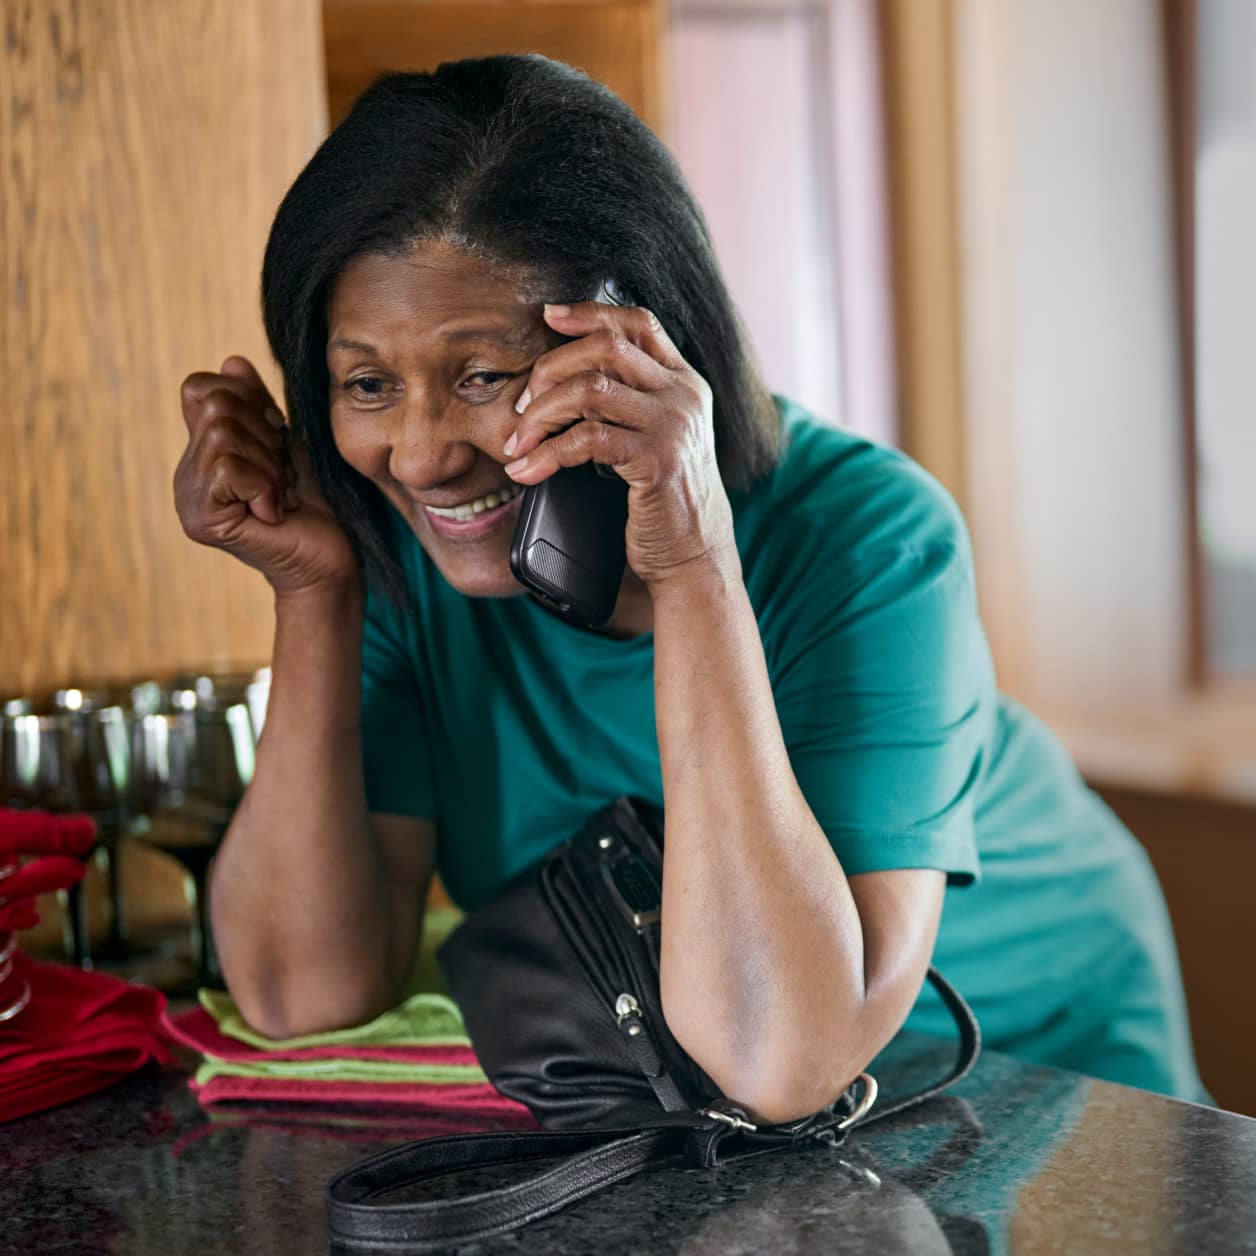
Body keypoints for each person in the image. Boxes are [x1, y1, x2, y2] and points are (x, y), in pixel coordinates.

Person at [173, 55, 1210, 1120]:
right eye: (367, 385)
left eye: (480, 375)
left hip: (1020, 1064)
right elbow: (302, 992)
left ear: (634, 340)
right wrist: (312, 592)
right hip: (690, 1088)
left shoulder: (865, 534)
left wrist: (689, 557)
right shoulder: (404, 551)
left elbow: (779, 1058)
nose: (423, 453)